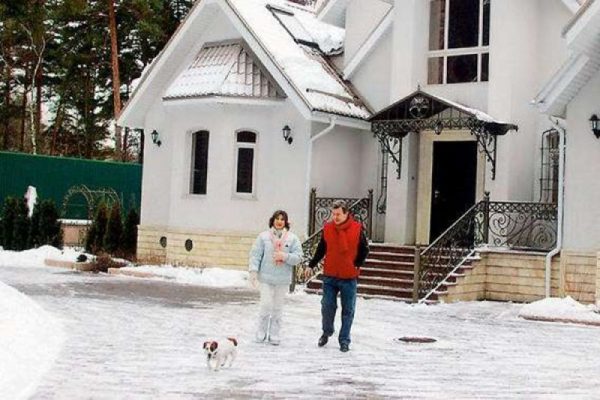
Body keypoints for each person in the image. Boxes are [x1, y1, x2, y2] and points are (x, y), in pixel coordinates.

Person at [305, 200, 369, 352]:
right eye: (333, 214)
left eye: (338, 214)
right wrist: (311, 264)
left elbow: (364, 249)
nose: (335, 217)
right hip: (330, 275)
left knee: (348, 310)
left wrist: (357, 263)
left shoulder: (357, 228)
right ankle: (327, 332)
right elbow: (322, 248)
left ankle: (344, 340)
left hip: (349, 276)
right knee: (327, 306)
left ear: (346, 213)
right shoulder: (328, 228)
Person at [248, 210, 303, 345]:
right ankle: (261, 331)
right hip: (266, 278)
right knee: (266, 305)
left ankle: (275, 333)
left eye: (282, 219)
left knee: (278, 307)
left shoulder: (292, 238)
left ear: (286, 222)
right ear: (272, 221)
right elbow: (255, 255)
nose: (279, 222)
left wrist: (285, 256)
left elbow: (298, 257)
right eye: (277, 219)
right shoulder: (263, 237)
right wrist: (253, 272)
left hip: (282, 279)